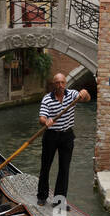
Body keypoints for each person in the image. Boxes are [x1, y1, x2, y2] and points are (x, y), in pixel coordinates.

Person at [37, 73, 91, 206]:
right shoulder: (47, 99)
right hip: (51, 135)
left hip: (67, 135)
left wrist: (84, 93)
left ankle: (59, 201)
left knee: (64, 168)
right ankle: (42, 196)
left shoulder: (72, 94)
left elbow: (86, 99)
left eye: (62, 83)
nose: (60, 85)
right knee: (46, 166)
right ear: (53, 84)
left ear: (65, 83)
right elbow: (41, 117)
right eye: (57, 83)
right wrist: (46, 121)